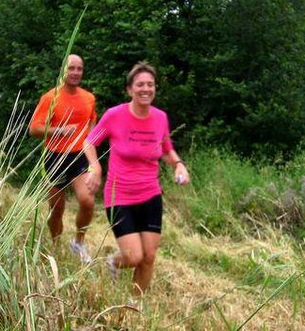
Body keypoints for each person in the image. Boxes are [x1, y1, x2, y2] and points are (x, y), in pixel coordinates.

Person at [82, 62, 190, 304]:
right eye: (140, 84)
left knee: (149, 256)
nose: (146, 89)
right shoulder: (114, 115)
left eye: (150, 84)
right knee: (133, 257)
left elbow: (166, 149)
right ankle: (113, 261)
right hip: (119, 195)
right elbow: (89, 142)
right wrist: (95, 167)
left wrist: (178, 164)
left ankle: (134, 305)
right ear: (130, 89)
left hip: (150, 194)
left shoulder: (160, 118)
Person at [29, 54, 97, 263]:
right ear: (63, 71)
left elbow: (91, 122)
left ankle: (79, 243)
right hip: (55, 157)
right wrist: (59, 131)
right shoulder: (51, 97)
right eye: (71, 68)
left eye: (79, 69)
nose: (75, 72)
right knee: (56, 209)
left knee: (87, 201)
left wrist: (90, 142)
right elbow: (34, 129)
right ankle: (55, 244)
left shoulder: (88, 98)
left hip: (78, 156)